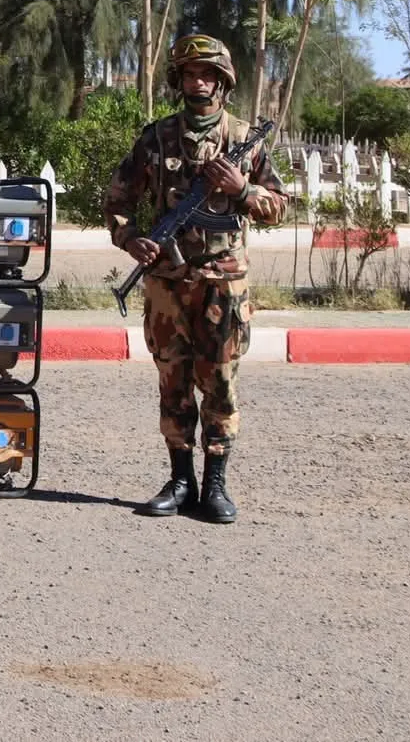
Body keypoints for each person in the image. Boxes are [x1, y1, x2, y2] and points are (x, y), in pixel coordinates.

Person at [102, 34, 287, 524]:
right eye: (188, 74)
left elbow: (278, 206)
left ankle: (216, 485)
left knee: (220, 382)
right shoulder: (157, 137)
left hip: (222, 286)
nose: (197, 82)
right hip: (167, 282)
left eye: (206, 74)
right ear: (178, 81)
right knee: (173, 381)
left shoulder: (245, 140)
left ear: (222, 82)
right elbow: (117, 199)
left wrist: (242, 188)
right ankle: (180, 480)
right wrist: (132, 239)